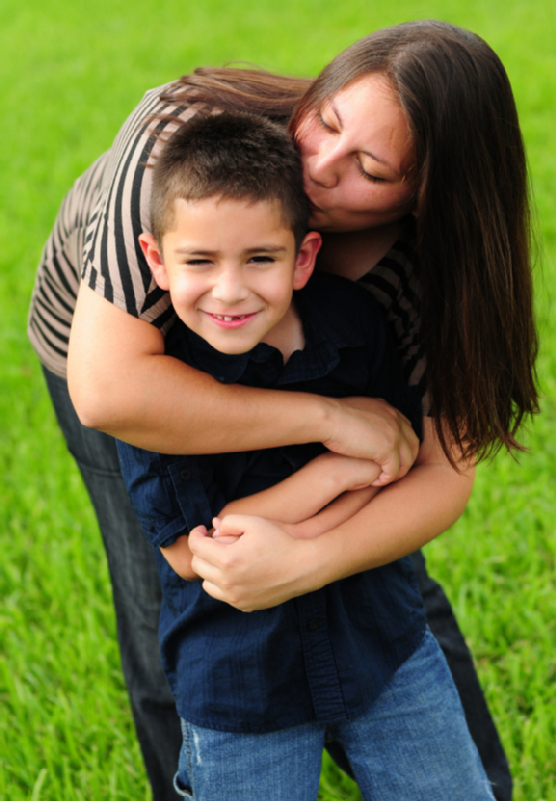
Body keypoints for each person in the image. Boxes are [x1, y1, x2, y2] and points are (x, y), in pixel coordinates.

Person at [28, 20, 537, 801]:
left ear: (427, 196)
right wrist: (332, 426)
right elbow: (114, 391)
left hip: (329, 367)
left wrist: (307, 560)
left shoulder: (421, 281)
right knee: (172, 607)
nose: (319, 167)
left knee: (386, 588)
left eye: (369, 166)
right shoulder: (184, 136)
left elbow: (437, 474)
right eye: (328, 120)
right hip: (130, 354)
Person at [116, 109, 495, 800]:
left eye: (260, 258)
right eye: (198, 260)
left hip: (383, 648)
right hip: (239, 678)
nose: (229, 290)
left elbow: (403, 468)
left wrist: (285, 530)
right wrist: (338, 469)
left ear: (304, 256)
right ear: (155, 260)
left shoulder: (355, 327)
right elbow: (192, 551)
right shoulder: (160, 386)